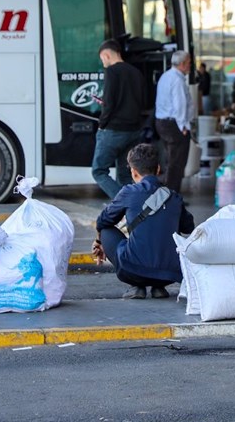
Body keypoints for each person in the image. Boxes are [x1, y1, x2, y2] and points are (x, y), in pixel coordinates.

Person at [93, 143, 195, 300]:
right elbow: (189, 227)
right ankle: (158, 287)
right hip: (169, 274)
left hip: (133, 270)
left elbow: (103, 221)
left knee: (106, 230)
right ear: (158, 169)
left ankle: (137, 286)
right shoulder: (174, 197)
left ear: (133, 172)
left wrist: (99, 242)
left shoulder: (128, 192)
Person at [92, 39, 146, 198]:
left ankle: (123, 201)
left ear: (107, 55)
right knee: (125, 173)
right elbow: (141, 101)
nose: (103, 64)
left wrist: (102, 124)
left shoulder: (112, 72)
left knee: (99, 170)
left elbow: (109, 103)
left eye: (103, 59)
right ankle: (131, 210)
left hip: (113, 130)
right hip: (134, 130)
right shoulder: (136, 72)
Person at [154, 50, 193, 192]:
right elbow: (180, 105)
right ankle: (172, 195)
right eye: (189, 63)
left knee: (169, 160)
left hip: (162, 122)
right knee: (177, 162)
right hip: (174, 124)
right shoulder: (177, 80)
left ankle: (167, 193)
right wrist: (183, 126)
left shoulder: (166, 76)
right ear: (182, 64)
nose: (190, 66)